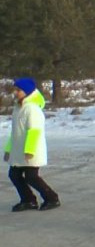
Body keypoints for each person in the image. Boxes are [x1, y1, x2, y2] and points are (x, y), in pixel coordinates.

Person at [5, 78, 60, 211]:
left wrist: (29, 150)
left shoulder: (32, 110)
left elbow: (34, 131)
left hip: (31, 151)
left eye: (18, 90)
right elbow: (14, 132)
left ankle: (52, 198)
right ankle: (28, 200)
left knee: (31, 177)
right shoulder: (18, 108)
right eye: (15, 90)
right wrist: (8, 150)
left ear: (27, 92)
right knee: (14, 175)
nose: (15, 93)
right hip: (18, 151)